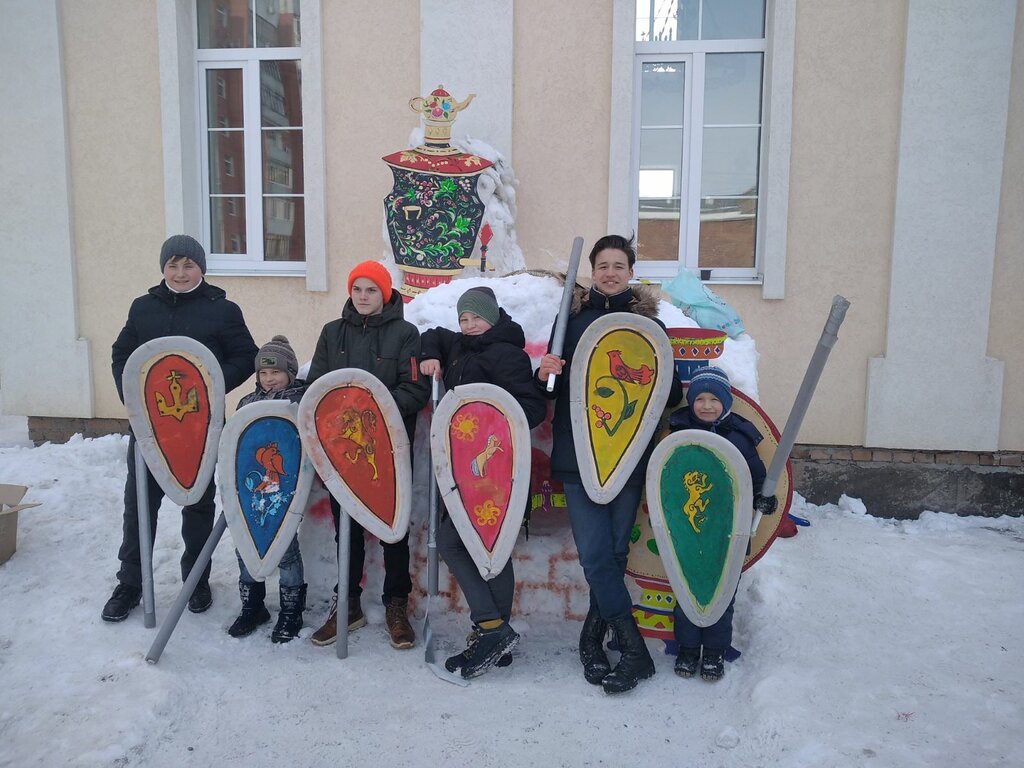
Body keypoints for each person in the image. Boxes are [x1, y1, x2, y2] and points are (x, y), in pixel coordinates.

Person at [536, 234, 683, 694]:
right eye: (603, 265)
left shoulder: (649, 328)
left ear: (630, 273)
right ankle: (635, 651)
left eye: (619, 265)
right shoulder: (571, 321)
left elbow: (669, 395)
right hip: (578, 454)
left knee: (615, 553)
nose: (610, 273)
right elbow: (550, 392)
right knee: (596, 554)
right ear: (593, 271)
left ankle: (592, 641)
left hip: (628, 455)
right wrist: (544, 373)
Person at [103, 234, 258, 622]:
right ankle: (130, 582)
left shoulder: (222, 310)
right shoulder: (143, 308)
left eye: (189, 265)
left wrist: (209, 386)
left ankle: (196, 579)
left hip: (201, 430)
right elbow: (122, 355)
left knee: (198, 505)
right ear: (163, 268)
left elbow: (246, 356)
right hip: (150, 428)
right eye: (173, 265)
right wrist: (133, 397)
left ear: (201, 269)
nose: (181, 273)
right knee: (139, 504)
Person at [419, 286, 547, 678]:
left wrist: (492, 418)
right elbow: (433, 335)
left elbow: (532, 409)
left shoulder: (508, 354)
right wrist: (430, 355)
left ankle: (492, 630)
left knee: (480, 545)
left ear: (492, 317)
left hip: (498, 470)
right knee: (472, 544)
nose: (470, 324)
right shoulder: (460, 346)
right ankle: (495, 635)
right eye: (464, 318)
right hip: (465, 470)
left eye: (476, 317)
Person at [306, 260, 429, 650]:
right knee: (347, 530)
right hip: (342, 451)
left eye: (371, 289)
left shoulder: (406, 334)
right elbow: (317, 387)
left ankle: (397, 605)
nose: (363, 296)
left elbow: (415, 390)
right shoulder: (332, 333)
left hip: (386, 451)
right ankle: (348, 604)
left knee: (394, 530)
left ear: (385, 293)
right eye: (357, 289)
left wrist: (372, 411)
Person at [666, 366, 778, 681]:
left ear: (726, 402)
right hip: (689, 530)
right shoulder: (677, 433)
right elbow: (667, 478)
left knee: (722, 592)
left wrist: (764, 499)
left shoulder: (740, 438)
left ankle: (715, 651)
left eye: (714, 399)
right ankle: (688, 649)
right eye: (699, 399)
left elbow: (756, 478)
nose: (706, 406)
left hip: (729, 531)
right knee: (687, 590)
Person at [228, 336, 308, 643]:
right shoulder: (247, 404)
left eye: (276, 372)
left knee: (285, 547)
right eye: (263, 372)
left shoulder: (299, 402)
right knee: (245, 543)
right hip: (252, 490)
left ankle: (291, 610)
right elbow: (236, 446)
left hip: (285, 490)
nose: (269, 378)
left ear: (290, 372)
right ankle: (252, 606)